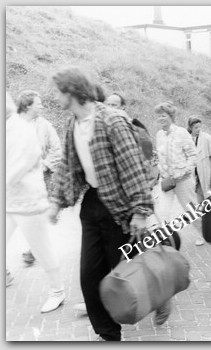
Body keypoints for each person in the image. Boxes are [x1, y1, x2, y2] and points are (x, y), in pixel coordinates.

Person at [48, 67, 154, 341]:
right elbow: (69, 166)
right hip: (93, 203)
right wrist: (56, 203)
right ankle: (108, 333)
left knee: (126, 271)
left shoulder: (112, 120)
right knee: (89, 275)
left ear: (72, 92)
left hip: (119, 209)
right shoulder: (73, 122)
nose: (55, 97)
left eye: (58, 92)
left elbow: (133, 167)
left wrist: (141, 211)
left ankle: (160, 295)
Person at [6, 91, 65, 313]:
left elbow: (20, 164)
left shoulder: (21, 129)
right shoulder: (11, 126)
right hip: (10, 201)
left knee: (41, 248)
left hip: (28, 202)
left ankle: (57, 291)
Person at [15, 90, 62, 266]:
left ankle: (33, 249)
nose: (42, 106)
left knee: (36, 215)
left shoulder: (45, 126)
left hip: (39, 178)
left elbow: (56, 149)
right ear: (27, 105)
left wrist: (45, 165)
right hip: (14, 179)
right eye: (38, 103)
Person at [154, 102, 203, 246]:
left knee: (192, 210)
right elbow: (160, 156)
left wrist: (184, 171)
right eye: (158, 116)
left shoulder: (181, 133)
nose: (160, 119)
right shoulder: (159, 135)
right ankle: (166, 241)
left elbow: (193, 155)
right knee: (162, 212)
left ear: (171, 116)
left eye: (163, 115)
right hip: (166, 181)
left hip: (183, 180)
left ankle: (204, 233)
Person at [187, 116, 211, 203]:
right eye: (196, 128)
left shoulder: (207, 138)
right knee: (199, 201)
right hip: (194, 175)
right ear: (191, 128)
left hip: (205, 172)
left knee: (210, 198)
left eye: (199, 127)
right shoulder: (187, 140)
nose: (198, 129)